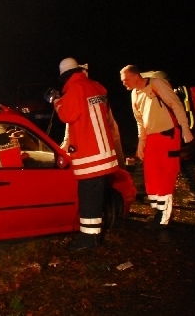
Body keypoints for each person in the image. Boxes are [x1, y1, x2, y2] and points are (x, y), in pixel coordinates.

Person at [54, 57, 119, 250]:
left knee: (89, 198)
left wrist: (56, 101)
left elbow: (67, 114)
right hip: (105, 154)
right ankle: (94, 236)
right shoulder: (97, 86)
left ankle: (88, 240)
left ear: (65, 76)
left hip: (91, 156)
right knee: (96, 198)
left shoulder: (75, 89)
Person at [119, 64, 194, 229]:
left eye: (125, 80)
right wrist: (141, 143)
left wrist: (185, 128)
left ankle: (163, 217)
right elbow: (140, 121)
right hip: (152, 138)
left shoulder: (156, 84)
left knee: (166, 174)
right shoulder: (134, 94)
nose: (124, 83)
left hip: (168, 135)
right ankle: (159, 211)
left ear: (135, 76)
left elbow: (176, 104)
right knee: (152, 176)